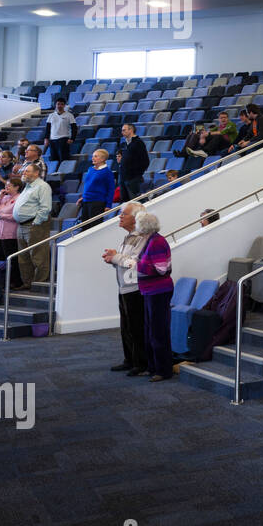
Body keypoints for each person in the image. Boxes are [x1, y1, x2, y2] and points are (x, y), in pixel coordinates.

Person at [124, 209, 174, 382]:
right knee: (149, 330)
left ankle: (163, 370)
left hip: (158, 291)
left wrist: (136, 265)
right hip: (149, 291)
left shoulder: (157, 242)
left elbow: (162, 269)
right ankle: (152, 367)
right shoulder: (149, 240)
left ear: (143, 226)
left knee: (158, 331)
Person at [102, 203, 148, 376]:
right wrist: (113, 259)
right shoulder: (128, 237)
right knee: (126, 328)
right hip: (124, 288)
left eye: (124, 214)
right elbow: (124, 262)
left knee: (136, 328)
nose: (120, 216)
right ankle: (129, 360)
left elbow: (135, 264)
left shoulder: (143, 237)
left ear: (136, 218)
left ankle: (140, 363)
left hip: (136, 289)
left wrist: (116, 257)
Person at [12, 163, 53, 289]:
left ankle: (39, 284)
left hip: (34, 225)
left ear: (36, 173)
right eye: (23, 171)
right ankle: (27, 283)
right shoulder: (28, 186)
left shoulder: (42, 186)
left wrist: (36, 222)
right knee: (23, 258)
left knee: (38, 256)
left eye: (27, 171)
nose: (23, 173)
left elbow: (45, 207)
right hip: (22, 225)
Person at [0, 177, 22, 271]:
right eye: (5, 185)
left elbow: (18, 216)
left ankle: (12, 280)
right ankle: (1, 279)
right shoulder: (4, 197)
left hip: (10, 234)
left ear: (17, 187)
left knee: (11, 259)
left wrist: (4, 216)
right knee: (0, 257)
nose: (6, 187)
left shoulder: (19, 198)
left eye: (9, 185)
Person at [79, 148, 116, 223]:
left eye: (95, 156)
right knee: (84, 227)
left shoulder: (107, 172)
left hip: (97, 202)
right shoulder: (90, 169)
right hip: (86, 201)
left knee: (94, 226)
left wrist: (108, 205)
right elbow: (88, 185)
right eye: (93, 156)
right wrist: (83, 197)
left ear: (102, 159)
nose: (93, 158)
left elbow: (111, 189)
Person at [116, 123, 149, 202]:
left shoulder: (138, 143)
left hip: (133, 180)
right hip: (124, 179)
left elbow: (145, 161)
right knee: (128, 206)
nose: (122, 132)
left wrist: (135, 175)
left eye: (124, 130)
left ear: (131, 130)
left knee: (136, 205)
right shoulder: (126, 144)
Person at [44, 98, 77, 162]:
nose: (59, 106)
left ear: (64, 105)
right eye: (58, 104)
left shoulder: (69, 115)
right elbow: (48, 128)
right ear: (55, 105)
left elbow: (74, 128)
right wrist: (46, 138)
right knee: (53, 159)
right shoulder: (51, 115)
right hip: (52, 140)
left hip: (63, 139)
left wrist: (72, 138)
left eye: (62, 104)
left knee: (63, 159)